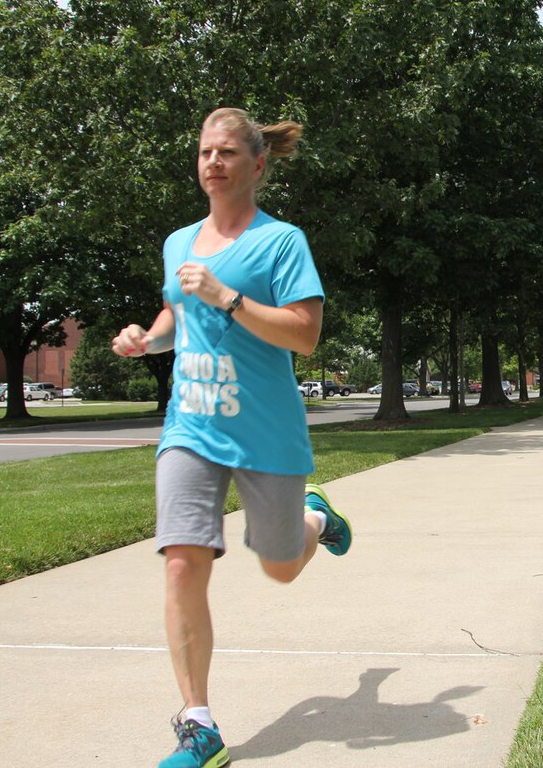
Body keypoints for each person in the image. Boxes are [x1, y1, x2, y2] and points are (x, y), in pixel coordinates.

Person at [112, 107, 352, 768]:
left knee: (279, 568)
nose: (212, 163)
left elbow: (304, 335)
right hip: (190, 425)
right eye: (203, 152)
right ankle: (198, 724)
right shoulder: (178, 241)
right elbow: (172, 312)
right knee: (183, 561)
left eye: (226, 153)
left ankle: (313, 517)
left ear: (258, 165)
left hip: (265, 432)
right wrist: (147, 339)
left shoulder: (282, 243)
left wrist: (228, 298)